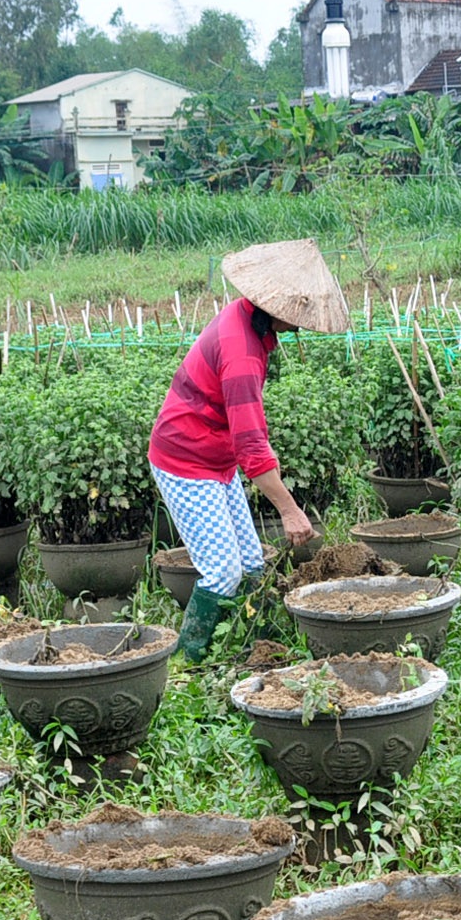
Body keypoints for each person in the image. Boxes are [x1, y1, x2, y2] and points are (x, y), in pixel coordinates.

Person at [149, 238, 351, 660]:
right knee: (222, 573)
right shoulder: (242, 352)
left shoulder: (246, 320)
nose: (299, 328)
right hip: (185, 461)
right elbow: (251, 445)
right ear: (274, 308)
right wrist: (291, 510)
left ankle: (257, 648)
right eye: (296, 319)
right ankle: (189, 666)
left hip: (214, 459)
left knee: (253, 564)